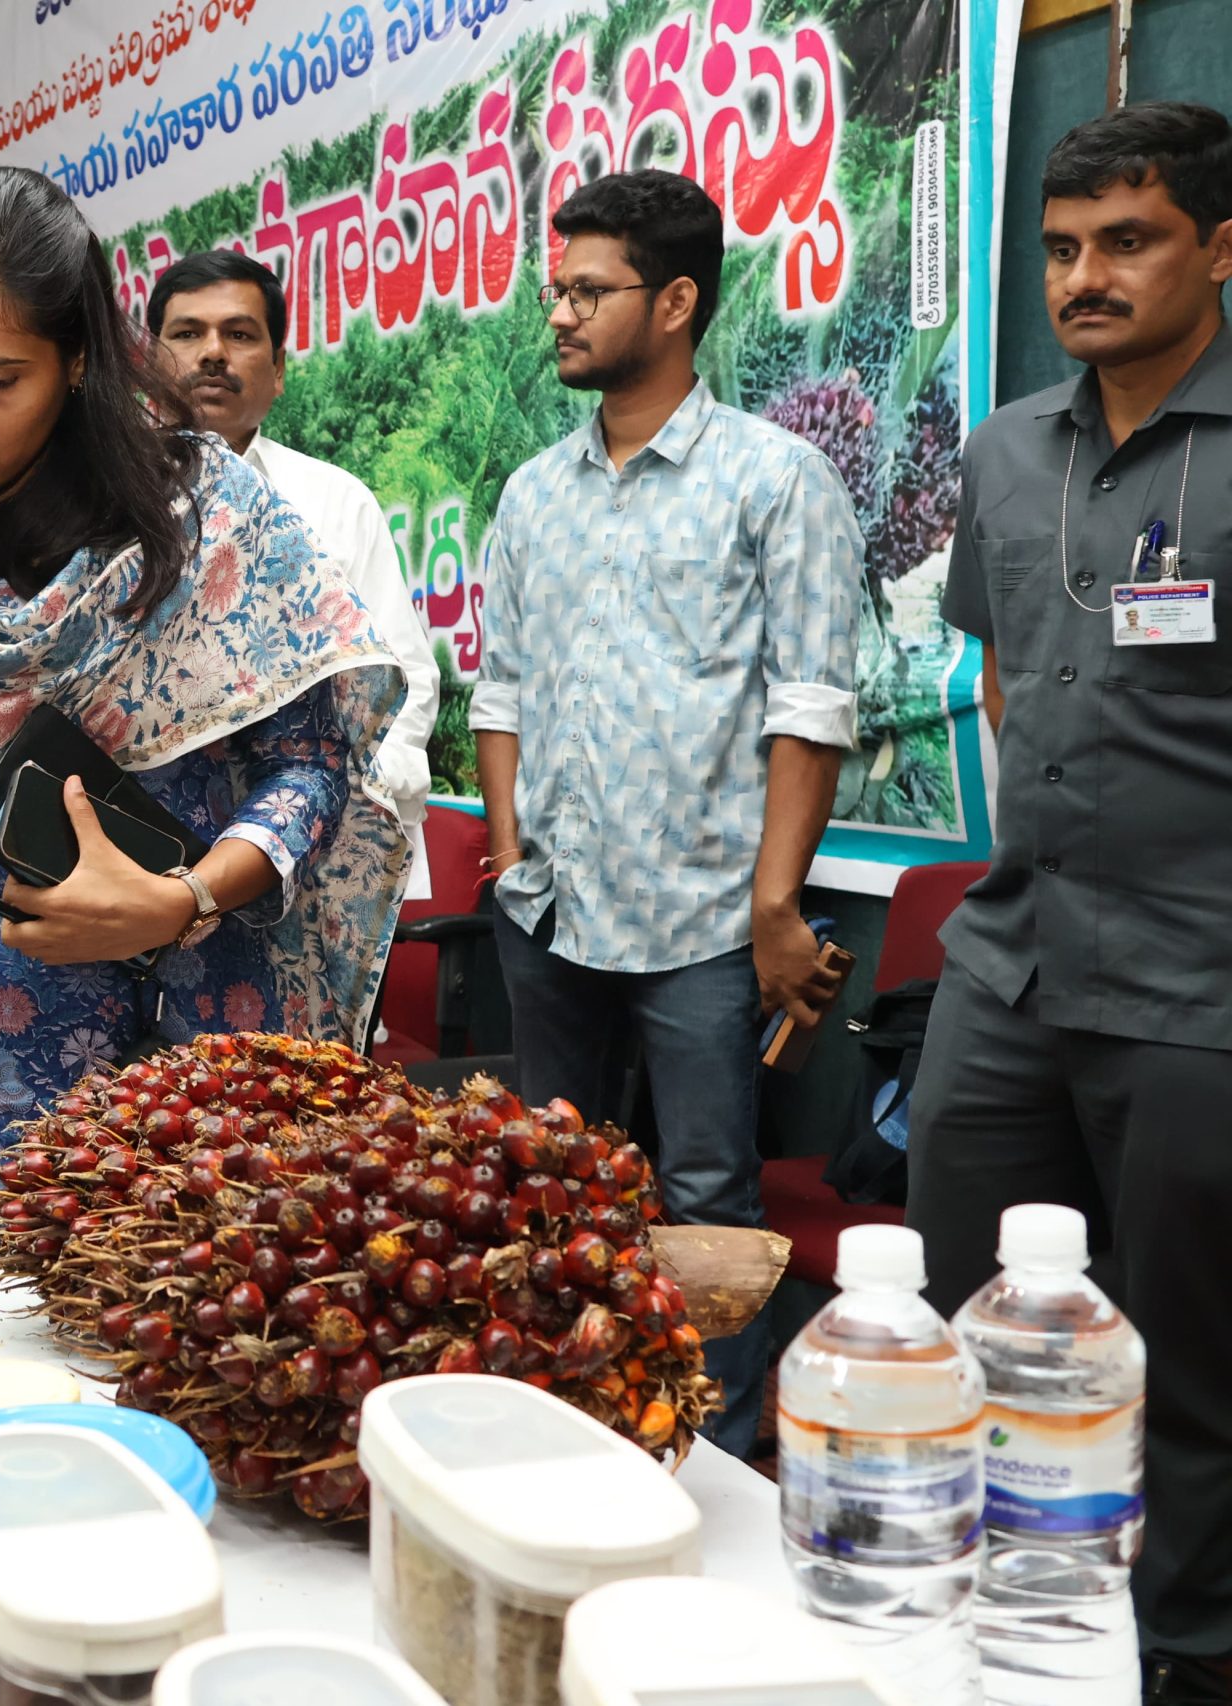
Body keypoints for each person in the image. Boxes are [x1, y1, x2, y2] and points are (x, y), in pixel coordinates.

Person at [0, 165, 408, 1267]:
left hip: (185, 1072)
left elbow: (311, 765)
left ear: (75, 362)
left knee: (170, 1345)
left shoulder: (208, 519)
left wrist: (180, 898)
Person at [904, 101, 1232, 1700]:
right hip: (1010, 969)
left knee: (1190, 1370)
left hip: (1200, 988)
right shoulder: (1006, 449)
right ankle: (976, 1643)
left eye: (1128, 240)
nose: (1083, 276)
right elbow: (1006, 677)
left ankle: (1185, 1658)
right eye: (1059, 248)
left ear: (1219, 249)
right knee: (956, 1328)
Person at [471, 169, 863, 1454]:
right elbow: (501, 688)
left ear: (677, 301)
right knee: (551, 1193)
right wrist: (510, 855)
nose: (560, 314)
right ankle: (563, 1432)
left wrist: (774, 904)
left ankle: (712, 1457)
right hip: (550, 909)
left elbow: (809, 704)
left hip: (702, 917)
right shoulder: (532, 491)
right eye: (556, 290)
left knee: (705, 1206)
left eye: (589, 291)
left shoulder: (775, 477)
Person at [144, 248, 442, 960]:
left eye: (239, 334)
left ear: (278, 370)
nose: (212, 352)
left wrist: (344, 800)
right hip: (146, 866)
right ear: (151, 362)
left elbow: (405, 680)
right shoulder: (98, 505)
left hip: (314, 872)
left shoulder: (335, 503)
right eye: (187, 333)